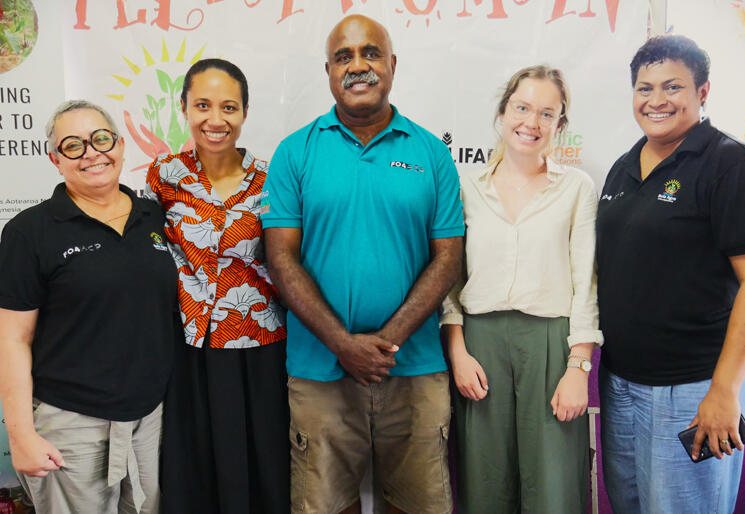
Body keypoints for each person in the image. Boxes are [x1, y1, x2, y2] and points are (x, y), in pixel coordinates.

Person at [261, 14, 464, 514]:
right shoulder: (294, 153)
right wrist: (343, 345)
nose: (358, 66)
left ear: (392, 64)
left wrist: (385, 343)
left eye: (370, 53)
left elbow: (448, 259)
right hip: (319, 370)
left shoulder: (431, 153)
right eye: (344, 56)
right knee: (324, 506)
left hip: (414, 367)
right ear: (328, 70)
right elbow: (280, 257)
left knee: (418, 504)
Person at [597, 34, 745, 514]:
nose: (656, 101)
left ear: (703, 92)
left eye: (672, 87)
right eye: (644, 88)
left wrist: (725, 391)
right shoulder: (623, 167)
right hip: (621, 383)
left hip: (693, 389)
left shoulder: (732, 164)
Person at [0, 100, 179, 513]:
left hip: (149, 417)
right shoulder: (30, 232)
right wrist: (20, 435)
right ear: (55, 159)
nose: (92, 153)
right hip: (72, 424)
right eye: (73, 145)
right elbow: (11, 338)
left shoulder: (155, 217)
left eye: (100, 139)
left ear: (119, 144)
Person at [441, 65, 602, 513]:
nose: (531, 123)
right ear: (503, 111)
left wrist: (579, 368)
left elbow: (585, 284)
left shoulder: (576, 188)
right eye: (522, 108)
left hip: (551, 345)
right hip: (480, 346)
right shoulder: (465, 187)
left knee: (553, 486)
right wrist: (457, 353)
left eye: (546, 113)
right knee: (484, 482)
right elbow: (450, 284)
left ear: (560, 124)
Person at [144, 58, 289, 513]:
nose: (215, 119)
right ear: (184, 106)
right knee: (195, 462)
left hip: (260, 340)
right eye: (202, 105)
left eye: (229, 107)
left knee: (264, 457)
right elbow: (150, 254)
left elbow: (289, 258)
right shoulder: (164, 176)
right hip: (190, 342)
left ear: (245, 113)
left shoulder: (273, 177)